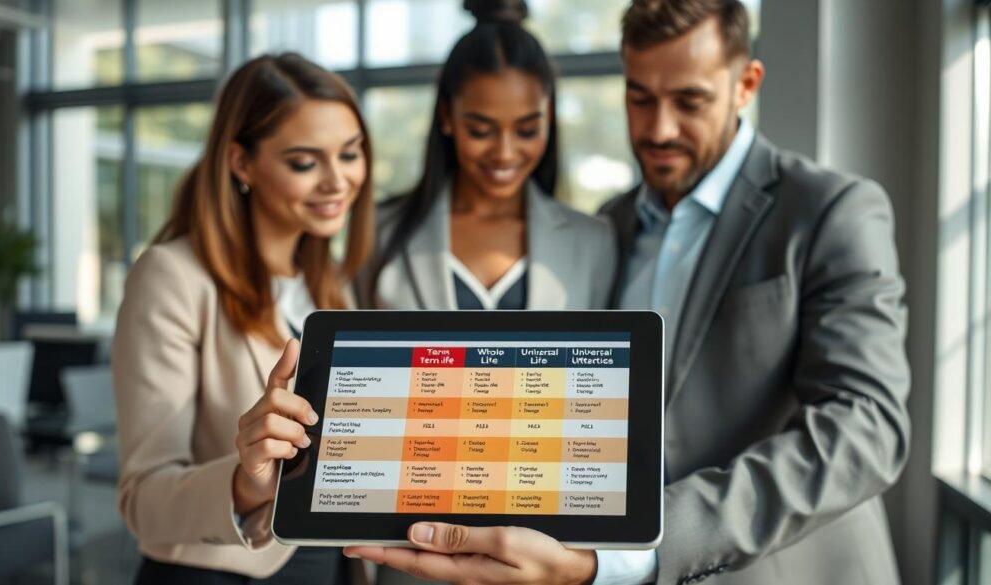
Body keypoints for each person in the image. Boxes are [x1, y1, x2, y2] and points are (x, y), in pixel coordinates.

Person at [345, 1, 911, 584]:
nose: (660, 128)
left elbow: (866, 427)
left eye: (689, 101)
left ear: (745, 85)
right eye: (640, 97)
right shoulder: (610, 227)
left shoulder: (828, 210)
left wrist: (642, 549)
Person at [112, 53, 374, 584]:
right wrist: (246, 482)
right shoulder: (173, 276)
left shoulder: (333, 285)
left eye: (350, 154)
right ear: (241, 163)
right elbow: (141, 498)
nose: (337, 181)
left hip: (330, 566)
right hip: (219, 570)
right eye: (305, 162)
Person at [362, 0, 615, 312]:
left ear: (548, 116)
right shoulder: (380, 231)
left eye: (526, 130)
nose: (504, 154)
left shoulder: (593, 242)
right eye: (481, 131)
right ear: (446, 116)